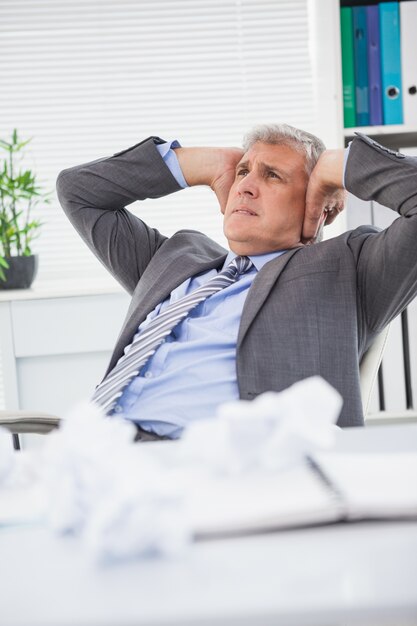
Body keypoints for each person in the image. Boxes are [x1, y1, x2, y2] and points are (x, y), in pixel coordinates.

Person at [56, 124, 417, 440]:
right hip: (97, 451)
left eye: (272, 175)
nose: (244, 187)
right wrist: (203, 164)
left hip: (216, 465)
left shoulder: (349, 268)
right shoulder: (175, 258)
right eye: (243, 172)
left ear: (320, 206)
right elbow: (79, 192)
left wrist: (339, 166)